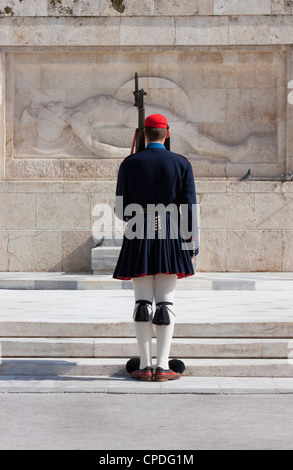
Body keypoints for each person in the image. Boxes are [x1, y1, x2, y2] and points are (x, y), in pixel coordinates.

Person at [113, 114, 199, 382]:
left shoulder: (129, 163)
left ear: (144, 135)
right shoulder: (181, 163)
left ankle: (144, 366)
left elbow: (120, 210)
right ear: (167, 134)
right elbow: (189, 210)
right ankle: (163, 367)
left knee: (141, 302)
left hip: (138, 235)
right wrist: (191, 246)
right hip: (171, 236)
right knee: (165, 302)